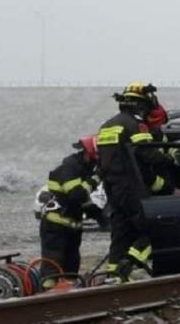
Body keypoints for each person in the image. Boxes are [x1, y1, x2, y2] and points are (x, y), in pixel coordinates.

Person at [96, 82, 162, 281]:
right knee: (153, 229)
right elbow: (146, 153)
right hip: (131, 186)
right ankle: (129, 265)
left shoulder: (106, 125)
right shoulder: (135, 124)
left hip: (112, 188)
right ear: (141, 105)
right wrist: (169, 159)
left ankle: (113, 275)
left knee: (121, 233)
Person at [39, 136, 100, 288]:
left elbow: (81, 200)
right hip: (55, 226)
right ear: (91, 152)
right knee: (52, 266)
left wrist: (98, 215)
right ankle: (48, 295)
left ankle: (69, 293)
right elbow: (76, 195)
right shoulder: (71, 166)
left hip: (72, 226)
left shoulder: (87, 168)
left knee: (72, 266)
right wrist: (95, 180)